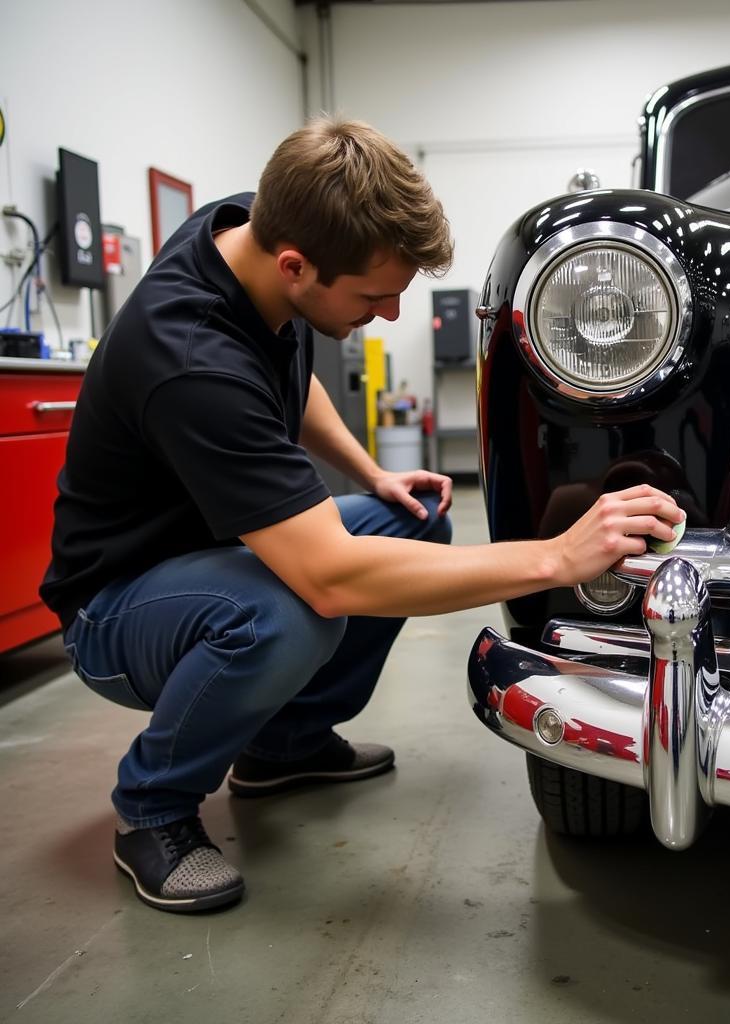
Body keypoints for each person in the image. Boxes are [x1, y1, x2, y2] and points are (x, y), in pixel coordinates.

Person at [40, 117, 684, 914]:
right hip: (116, 607)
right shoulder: (187, 357)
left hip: (212, 555)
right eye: (373, 298)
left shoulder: (254, 230)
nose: (384, 317)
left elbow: (285, 367)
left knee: (413, 518)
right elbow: (331, 576)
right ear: (295, 265)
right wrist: (556, 556)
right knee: (289, 615)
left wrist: (372, 473)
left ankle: (285, 747)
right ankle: (152, 809)